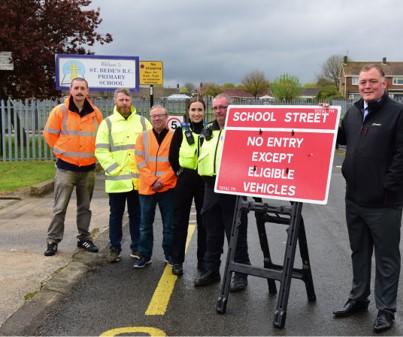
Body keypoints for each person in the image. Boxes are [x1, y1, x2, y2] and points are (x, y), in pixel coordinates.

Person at [335, 64, 403, 333]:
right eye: (362, 82)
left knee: (386, 258)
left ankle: (386, 310)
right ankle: (358, 298)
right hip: (354, 198)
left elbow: (401, 156)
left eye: (372, 81)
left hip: (384, 202)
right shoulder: (352, 113)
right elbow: (340, 139)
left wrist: (387, 187)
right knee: (359, 252)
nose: (366, 86)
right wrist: (322, 120)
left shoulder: (397, 113)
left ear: (384, 84)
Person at [194, 93, 250, 292]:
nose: (219, 111)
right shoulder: (208, 130)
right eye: (216, 107)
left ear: (231, 108)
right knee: (212, 233)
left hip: (232, 188)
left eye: (223, 107)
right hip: (210, 187)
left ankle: (240, 274)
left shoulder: (241, 130)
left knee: (235, 232)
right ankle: (211, 271)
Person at [43, 77, 103, 256]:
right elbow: (49, 135)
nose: (79, 91)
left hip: (87, 169)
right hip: (66, 169)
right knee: (60, 207)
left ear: (87, 91)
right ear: (70, 90)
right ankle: (53, 240)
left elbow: (101, 137)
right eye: (76, 88)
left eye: (82, 88)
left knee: (85, 207)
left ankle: (84, 238)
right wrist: (61, 153)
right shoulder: (59, 111)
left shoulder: (95, 113)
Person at [95, 88, 151, 263]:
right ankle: (114, 248)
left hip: (137, 181)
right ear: (115, 101)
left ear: (131, 101)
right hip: (117, 181)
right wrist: (113, 169)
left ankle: (136, 248)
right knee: (116, 216)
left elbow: (152, 147)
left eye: (127, 100)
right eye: (121, 100)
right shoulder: (107, 123)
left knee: (137, 216)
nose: (124, 103)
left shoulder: (143, 122)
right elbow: (101, 150)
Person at [133, 105, 177, 268]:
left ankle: (170, 255)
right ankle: (145, 255)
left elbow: (177, 163)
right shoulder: (142, 137)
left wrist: (162, 181)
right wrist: (153, 181)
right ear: (150, 118)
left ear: (167, 117)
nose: (157, 118)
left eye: (160, 115)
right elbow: (140, 162)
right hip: (147, 188)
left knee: (169, 225)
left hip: (168, 188)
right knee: (145, 225)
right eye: (153, 116)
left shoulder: (175, 137)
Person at [169, 97, 206, 276]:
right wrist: (179, 171)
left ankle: (203, 260)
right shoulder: (181, 131)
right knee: (180, 221)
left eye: (199, 110)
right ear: (188, 112)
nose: (196, 113)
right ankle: (177, 261)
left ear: (204, 112)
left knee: (204, 221)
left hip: (204, 180)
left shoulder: (210, 131)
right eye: (193, 110)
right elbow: (172, 155)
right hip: (185, 179)